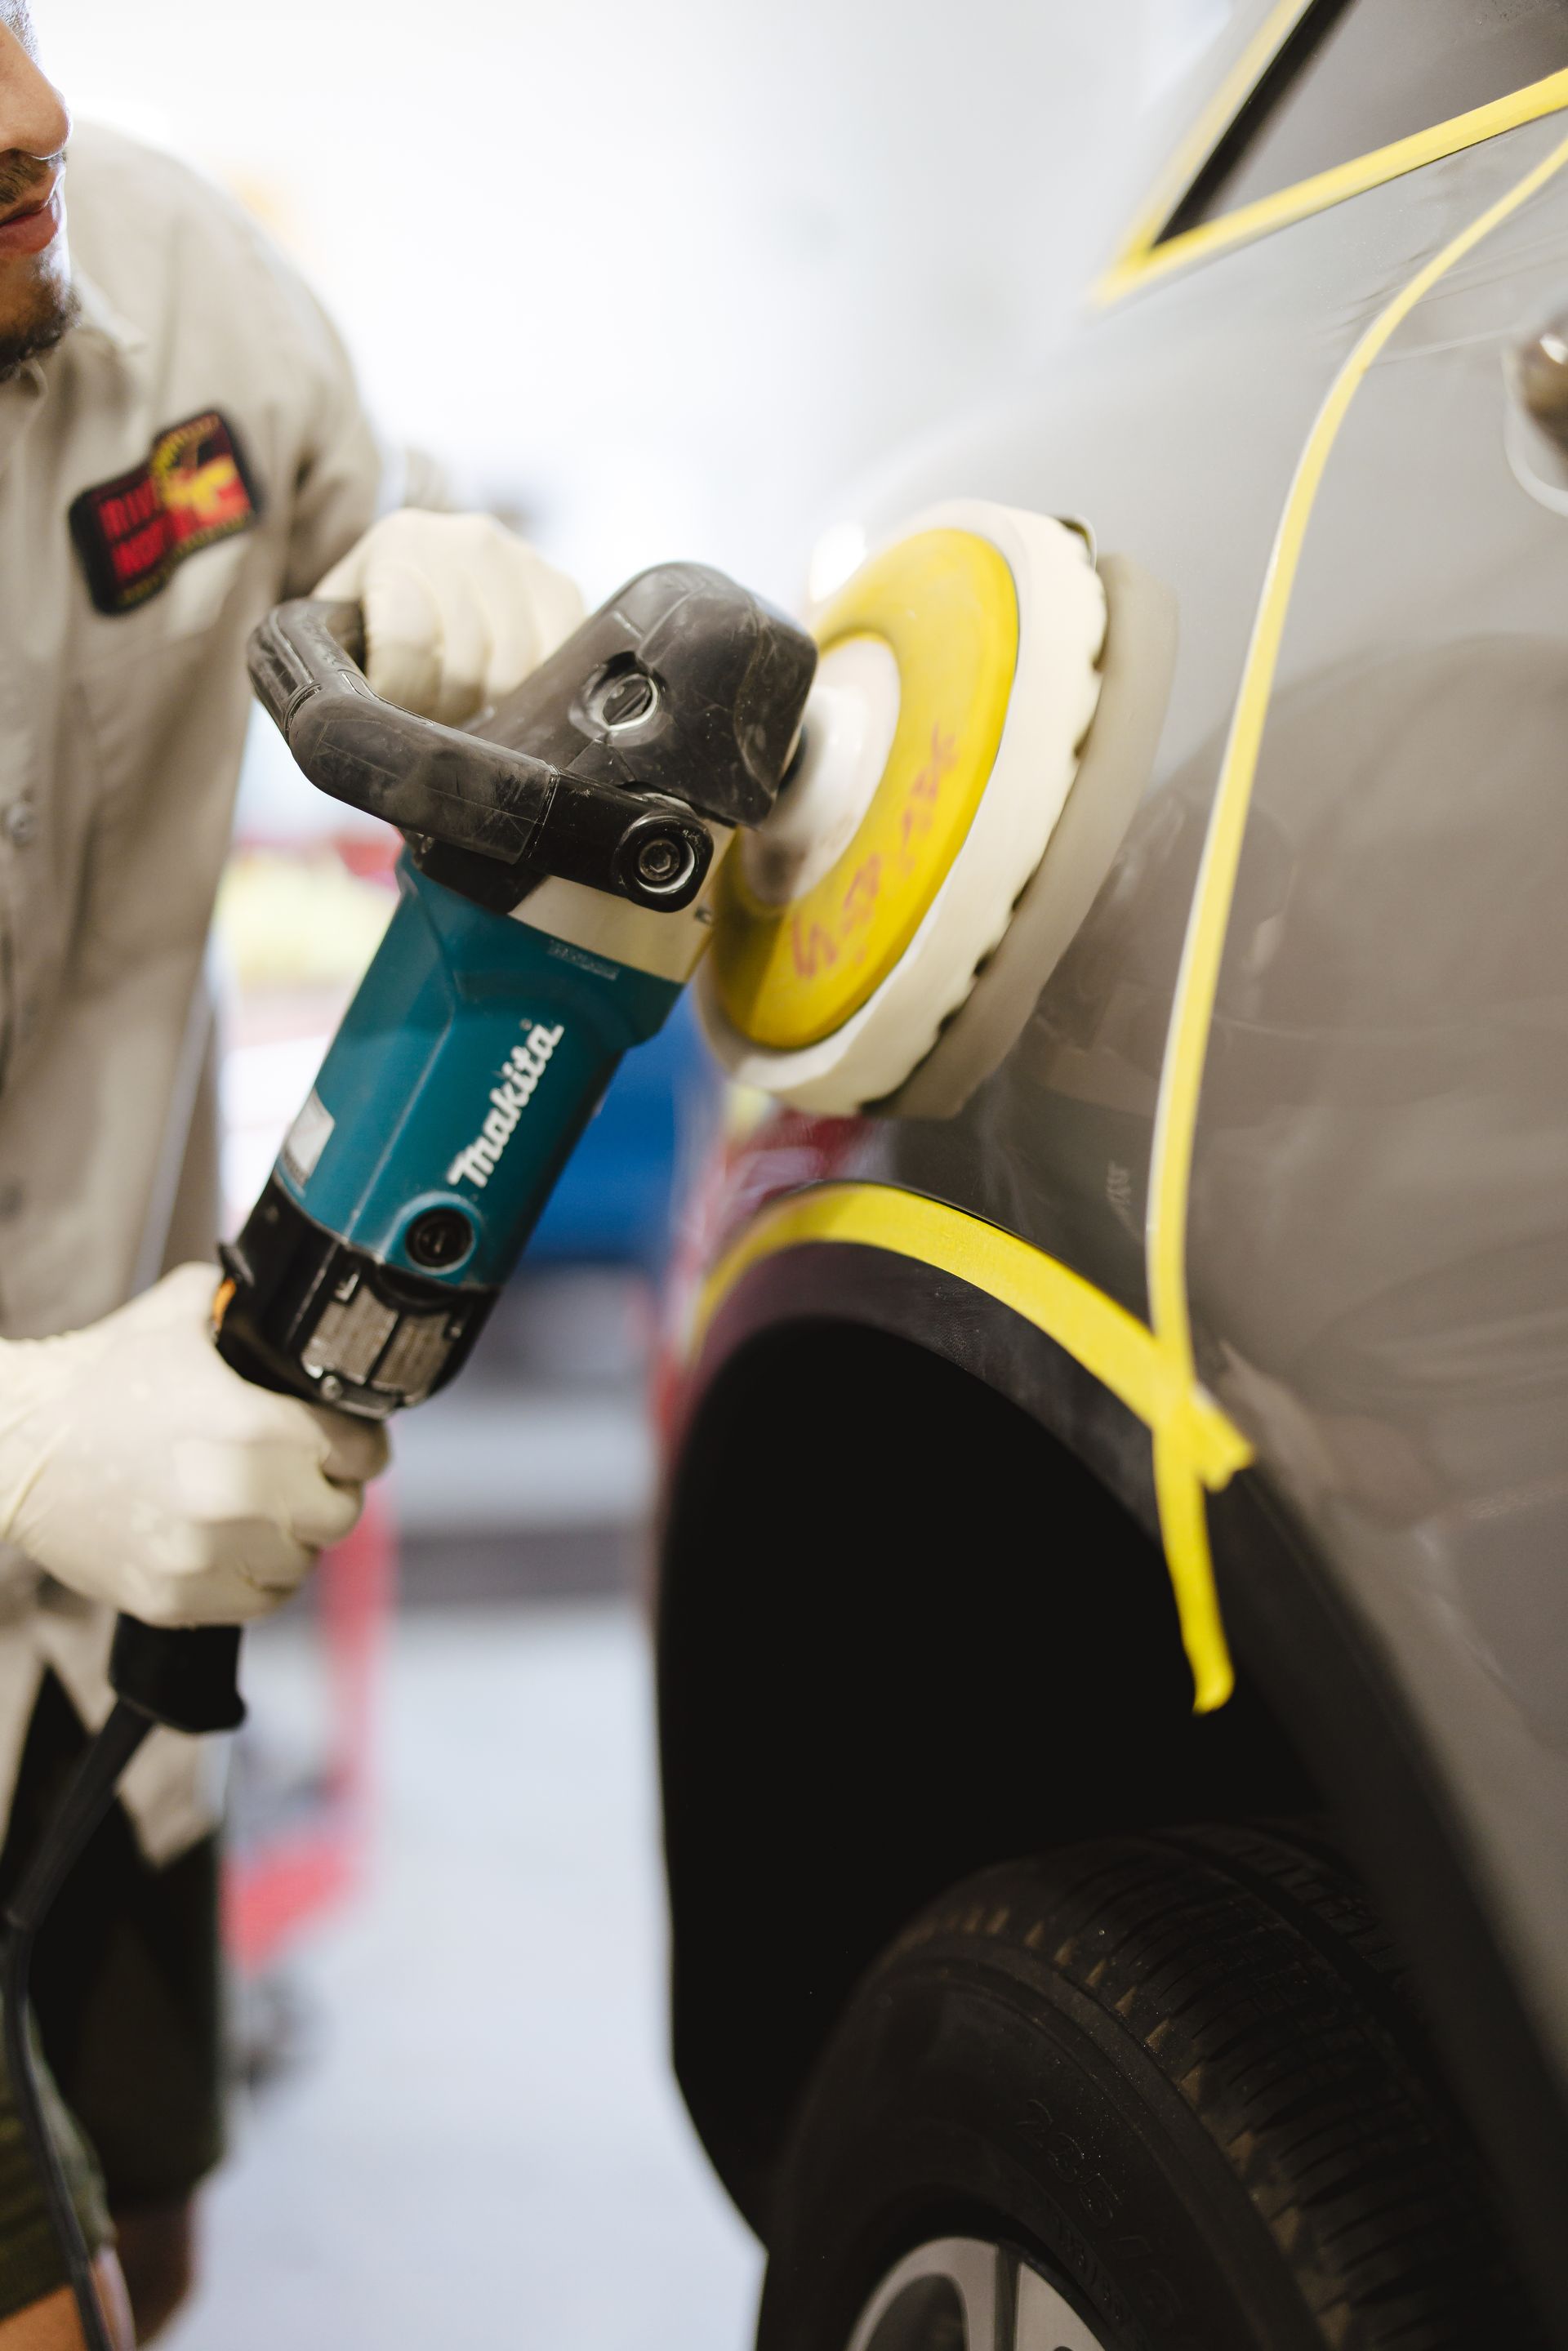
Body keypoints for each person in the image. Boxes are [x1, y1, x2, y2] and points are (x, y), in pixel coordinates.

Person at [0, 6, 583, 2340]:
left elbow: (409, 591)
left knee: (155, 2243)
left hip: (104, 1642)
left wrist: (486, 624)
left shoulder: (168, 290)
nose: (24, 115)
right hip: (69, 1479)